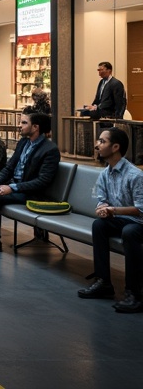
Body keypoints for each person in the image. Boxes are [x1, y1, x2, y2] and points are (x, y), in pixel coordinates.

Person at [0, 112, 60, 252]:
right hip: (14, 185)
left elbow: (42, 181)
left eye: (24, 123)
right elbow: (9, 167)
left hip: (30, 192)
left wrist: (13, 188)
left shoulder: (50, 150)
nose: (19, 126)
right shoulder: (23, 143)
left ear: (35, 127)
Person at [77, 127, 143, 313]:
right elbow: (102, 198)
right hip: (121, 218)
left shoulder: (135, 175)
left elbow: (141, 209)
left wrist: (112, 210)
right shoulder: (106, 173)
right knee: (99, 225)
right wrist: (102, 208)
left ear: (115, 147)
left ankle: (134, 294)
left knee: (129, 232)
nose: (97, 145)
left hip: (139, 222)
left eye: (102, 141)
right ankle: (103, 282)